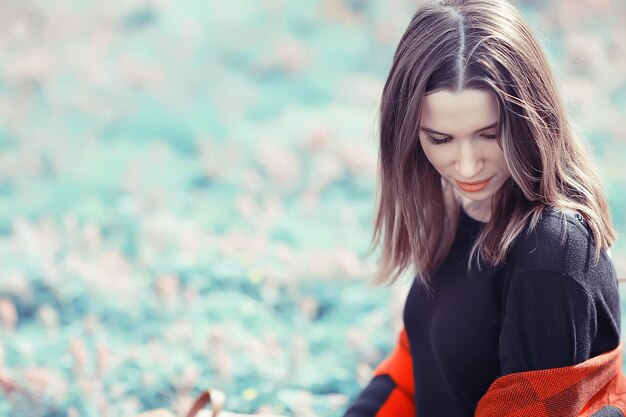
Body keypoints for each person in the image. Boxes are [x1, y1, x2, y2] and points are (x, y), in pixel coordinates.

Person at [341, 0, 626, 416]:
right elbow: (417, 365)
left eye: (490, 135)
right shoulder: (467, 206)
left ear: (531, 120)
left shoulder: (552, 251)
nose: (469, 165)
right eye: (441, 139)